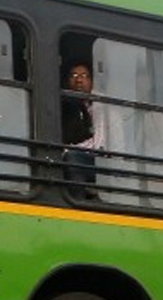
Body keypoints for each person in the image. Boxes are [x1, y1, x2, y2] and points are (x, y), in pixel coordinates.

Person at [60, 61, 102, 199]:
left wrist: (68, 150)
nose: (79, 80)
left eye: (84, 76)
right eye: (74, 75)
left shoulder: (104, 107)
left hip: (102, 160)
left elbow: (99, 143)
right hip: (79, 158)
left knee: (72, 157)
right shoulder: (66, 106)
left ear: (92, 81)